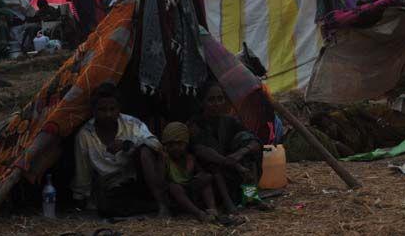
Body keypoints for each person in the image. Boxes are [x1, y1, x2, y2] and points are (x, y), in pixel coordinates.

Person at [72, 83, 171, 217]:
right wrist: (80, 199)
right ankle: (149, 206)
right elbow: (83, 171)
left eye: (112, 109)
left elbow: (156, 145)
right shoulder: (85, 135)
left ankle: (162, 205)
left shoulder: (131, 124)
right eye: (102, 109)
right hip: (113, 187)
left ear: (119, 109)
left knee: (145, 151)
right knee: (107, 207)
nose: (108, 114)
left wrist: (127, 145)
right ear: (93, 111)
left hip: (141, 180)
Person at [189, 83, 265, 214]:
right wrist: (229, 162)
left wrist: (240, 153)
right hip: (212, 180)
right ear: (202, 102)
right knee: (213, 160)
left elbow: (255, 142)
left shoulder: (230, 121)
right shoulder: (195, 124)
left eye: (220, 99)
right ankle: (227, 203)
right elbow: (200, 150)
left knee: (245, 141)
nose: (217, 104)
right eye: (211, 100)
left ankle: (250, 196)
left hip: (233, 172)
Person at [161, 122, 242, 226]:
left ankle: (212, 210)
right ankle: (199, 214)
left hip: (191, 191)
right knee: (174, 187)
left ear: (186, 144)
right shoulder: (165, 159)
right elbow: (162, 181)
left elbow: (201, 174)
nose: (175, 148)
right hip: (177, 196)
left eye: (179, 144)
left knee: (206, 177)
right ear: (165, 145)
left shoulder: (190, 158)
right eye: (171, 145)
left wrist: (199, 176)